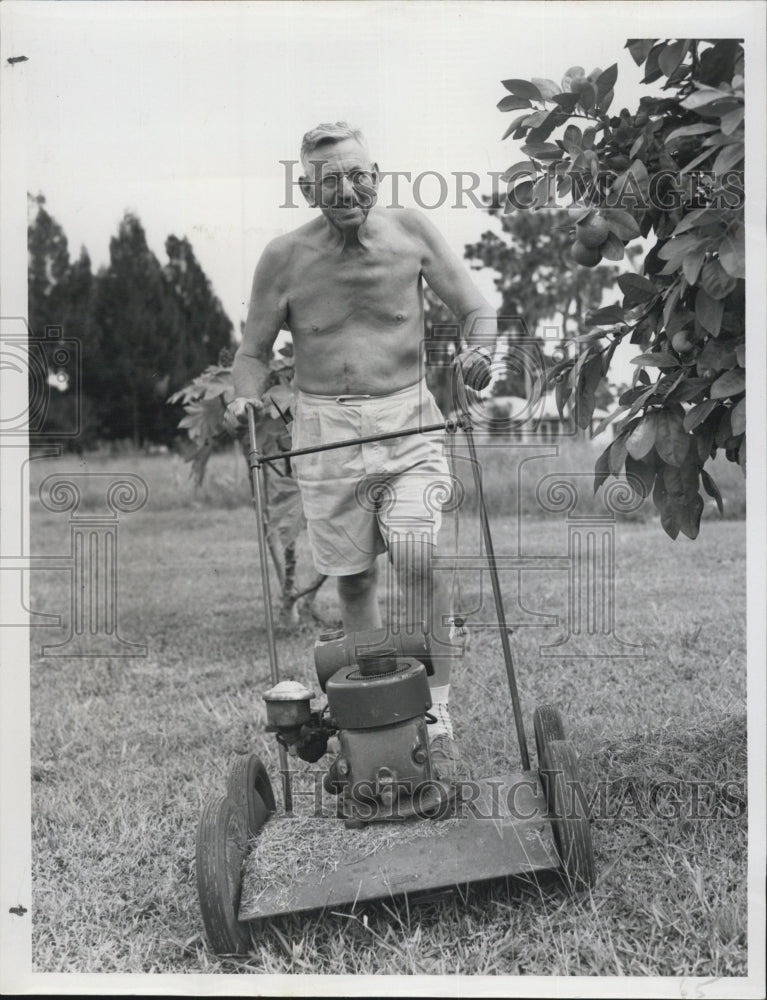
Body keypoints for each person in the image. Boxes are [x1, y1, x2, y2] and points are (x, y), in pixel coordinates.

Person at [225, 122, 496, 779]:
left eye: (358, 176)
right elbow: (253, 354)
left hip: (406, 418)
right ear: (305, 188)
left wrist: (479, 350)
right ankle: (375, 716)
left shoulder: (411, 233)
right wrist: (244, 396)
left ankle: (435, 701)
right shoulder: (283, 258)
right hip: (323, 429)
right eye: (329, 181)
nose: (347, 190)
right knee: (353, 579)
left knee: (414, 550)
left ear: (376, 175)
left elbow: (474, 308)